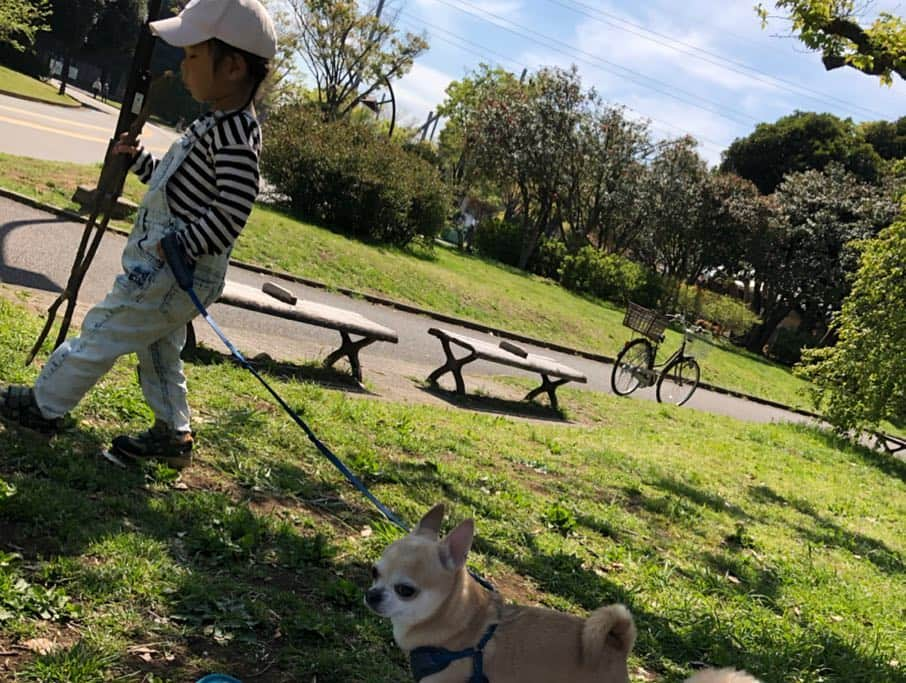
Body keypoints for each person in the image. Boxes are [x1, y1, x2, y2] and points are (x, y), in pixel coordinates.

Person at [0, 0, 277, 470]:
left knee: (104, 329)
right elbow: (180, 187)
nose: (183, 66)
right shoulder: (215, 122)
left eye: (192, 56)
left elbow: (232, 211)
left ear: (231, 67)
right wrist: (140, 163)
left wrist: (183, 245)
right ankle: (173, 433)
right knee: (158, 349)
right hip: (171, 269)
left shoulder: (236, 135)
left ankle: (43, 406)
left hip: (174, 269)